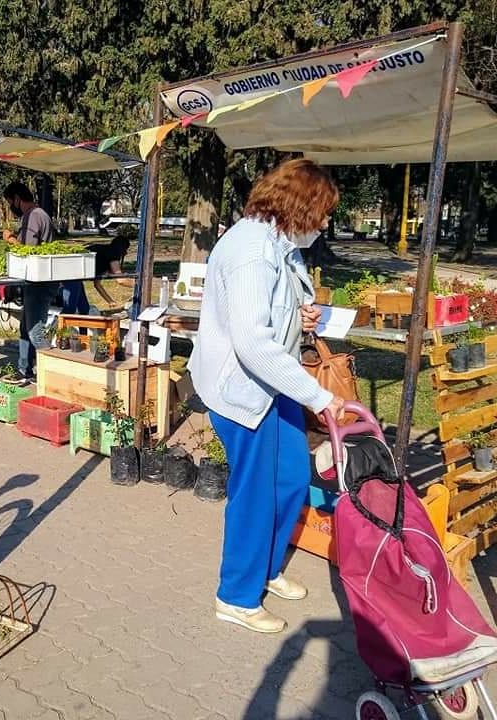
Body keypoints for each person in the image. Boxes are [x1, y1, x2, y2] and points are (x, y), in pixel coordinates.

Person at [188, 158, 345, 635]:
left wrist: (305, 314)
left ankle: (268, 568)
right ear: (300, 207)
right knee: (255, 494)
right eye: (321, 213)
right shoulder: (252, 250)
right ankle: (235, 595)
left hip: (273, 385)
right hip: (241, 390)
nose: (323, 224)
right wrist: (319, 397)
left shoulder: (278, 242)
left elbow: (281, 306)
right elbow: (253, 344)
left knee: (292, 480)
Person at [2, 181, 57, 383]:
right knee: (26, 327)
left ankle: (49, 375)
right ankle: (25, 369)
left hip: (38, 282)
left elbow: (28, 250)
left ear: (17, 198)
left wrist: (10, 239)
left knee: (35, 333)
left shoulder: (33, 216)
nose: (11, 206)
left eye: (10, 202)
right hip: (37, 280)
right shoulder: (39, 214)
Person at [60, 235, 133, 313]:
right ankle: (63, 324)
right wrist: (140, 286)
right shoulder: (113, 252)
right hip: (71, 275)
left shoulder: (103, 255)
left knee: (84, 309)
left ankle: (81, 323)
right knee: (69, 310)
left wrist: (110, 301)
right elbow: (120, 280)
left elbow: (97, 284)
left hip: (74, 275)